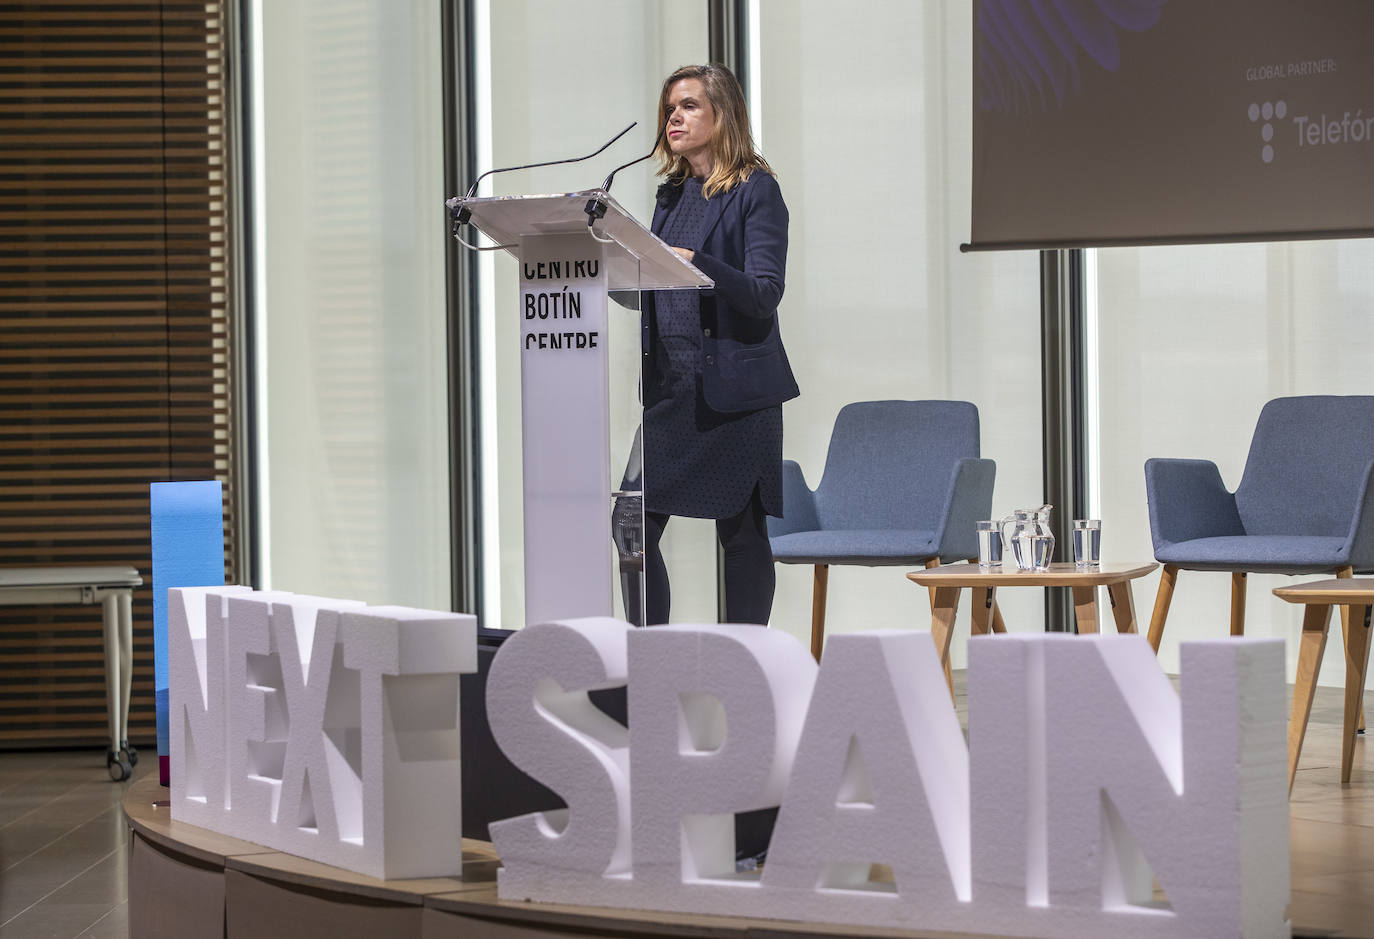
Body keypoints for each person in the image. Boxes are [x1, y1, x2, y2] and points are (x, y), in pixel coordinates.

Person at [638, 63, 799, 627]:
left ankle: (746, 664)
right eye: (669, 109)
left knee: (741, 535)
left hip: (735, 397)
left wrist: (698, 262)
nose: (673, 117)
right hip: (672, 395)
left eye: (687, 106)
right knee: (630, 528)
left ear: (721, 114)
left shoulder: (757, 190)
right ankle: (647, 660)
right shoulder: (670, 195)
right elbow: (658, 287)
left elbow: (763, 294)